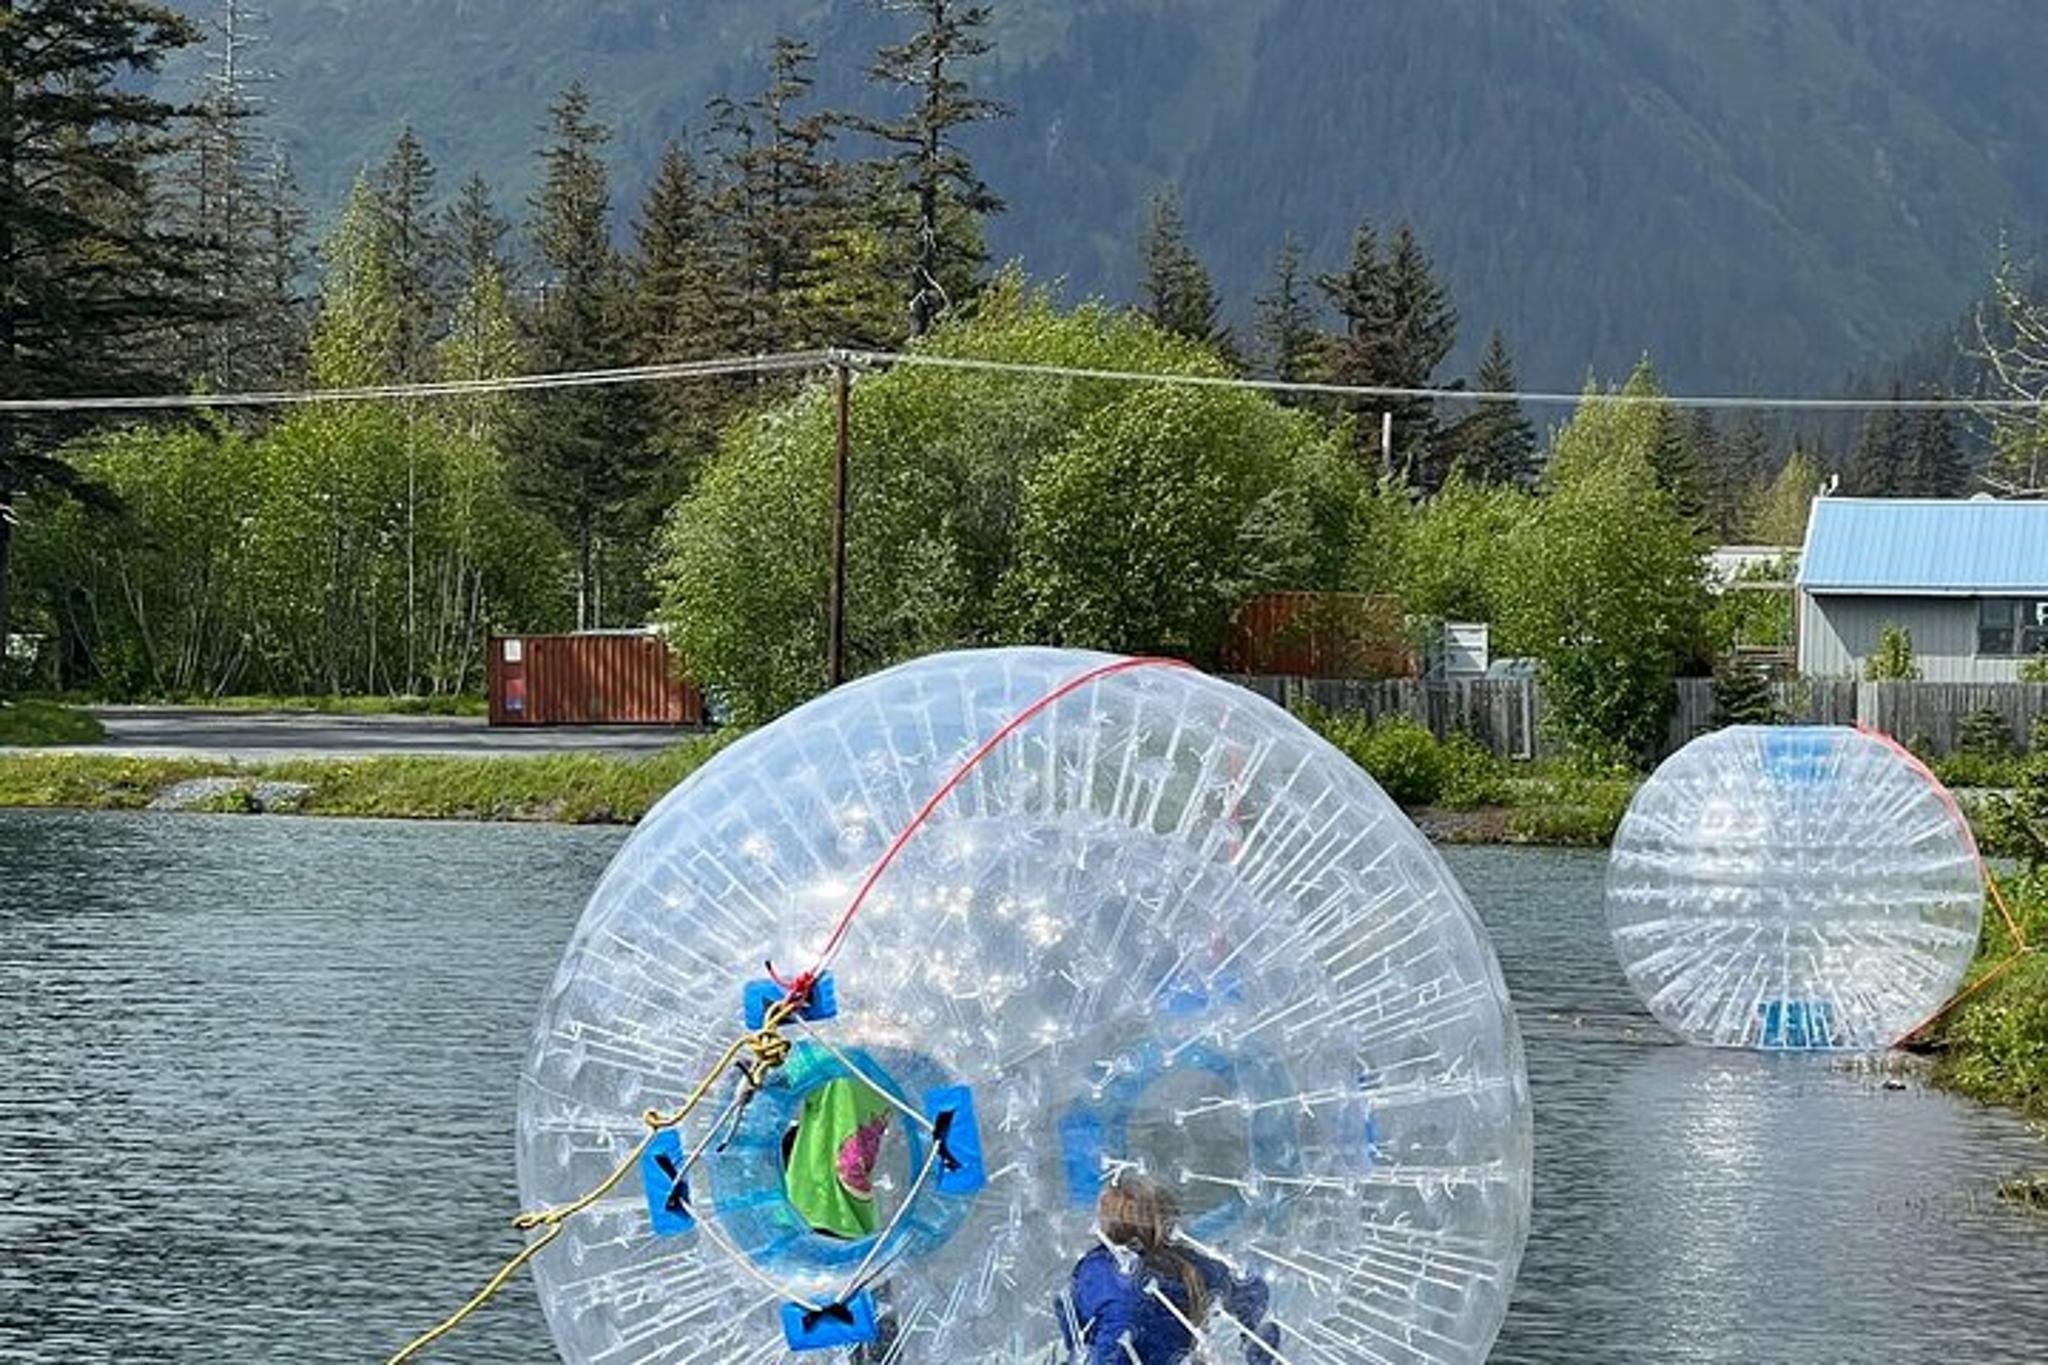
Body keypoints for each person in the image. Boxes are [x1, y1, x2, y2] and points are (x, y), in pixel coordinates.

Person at [1060, 1173, 1275, 1364]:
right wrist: (1254, 1351)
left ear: (1107, 1223)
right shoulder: (1197, 1268)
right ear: (1168, 1219)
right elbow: (1254, 1291)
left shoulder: (1096, 1269)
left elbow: (1071, 1324)